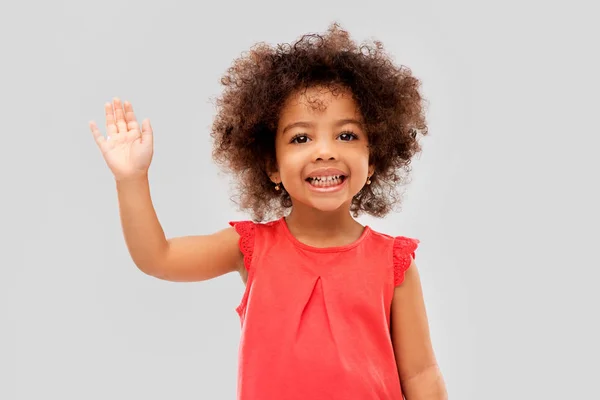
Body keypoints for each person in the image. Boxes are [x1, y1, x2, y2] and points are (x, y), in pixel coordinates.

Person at [89, 22, 447, 400]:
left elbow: (422, 374)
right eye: (301, 137)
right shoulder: (251, 248)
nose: (325, 151)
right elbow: (157, 257)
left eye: (346, 135)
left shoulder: (393, 262)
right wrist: (131, 179)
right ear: (272, 165)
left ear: (373, 158)